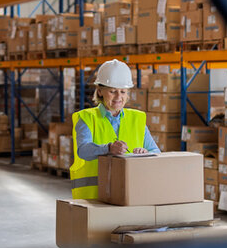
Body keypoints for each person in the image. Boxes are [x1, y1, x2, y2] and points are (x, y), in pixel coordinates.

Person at [69, 59, 161, 199]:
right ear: (100, 91)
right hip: (93, 198)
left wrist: (145, 153)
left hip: (129, 195)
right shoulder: (86, 118)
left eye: (123, 92)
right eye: (113, 91)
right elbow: (83, 150)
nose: (119, 97)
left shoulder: (137, 119)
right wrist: (108, 148)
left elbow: (156, 152)